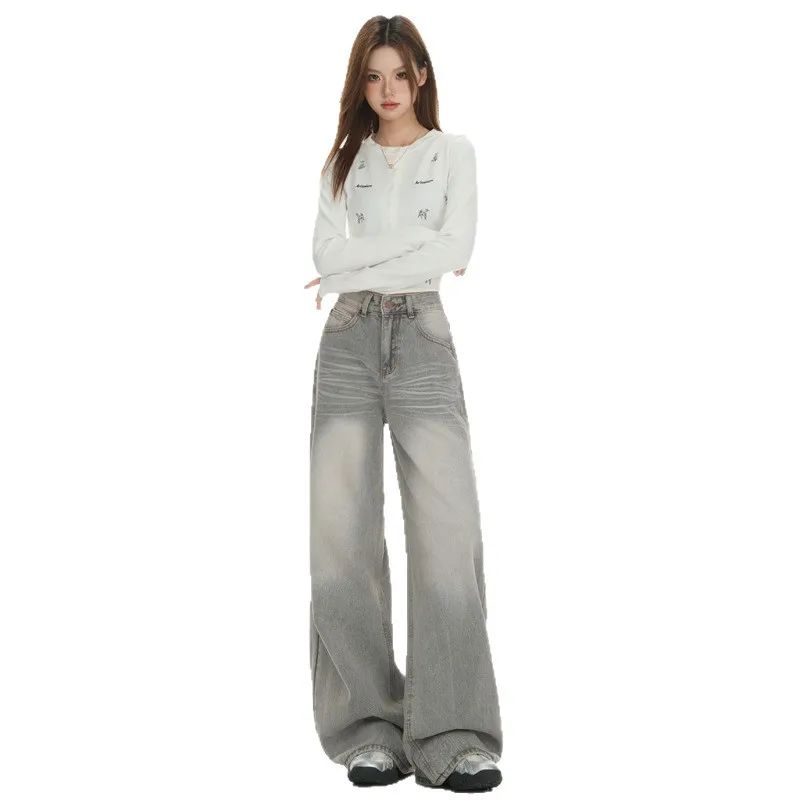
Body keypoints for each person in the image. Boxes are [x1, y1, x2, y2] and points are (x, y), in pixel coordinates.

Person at [305, 15, 503, 793]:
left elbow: (456, 249)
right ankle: (367, 731)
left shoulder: (453, 153)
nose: (387, 90)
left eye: (399, 74)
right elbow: (324, 254)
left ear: (421, 75)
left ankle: (454, 737)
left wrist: (354, 265)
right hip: (347, 343)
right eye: (372, 76)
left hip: (421, 336)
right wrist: (371, 263)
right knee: (341, 539)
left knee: (448, 537)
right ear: (360, 84)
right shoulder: (342, 163)